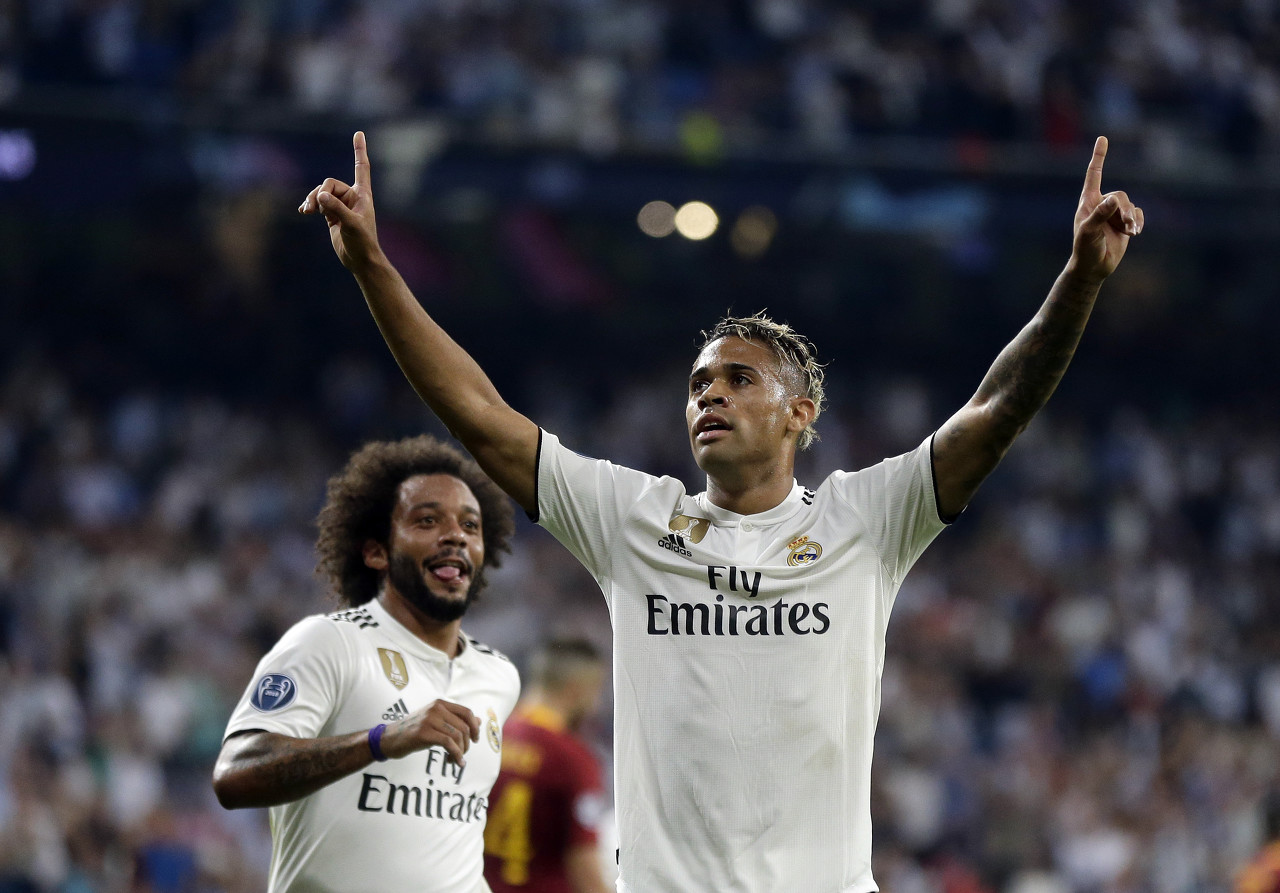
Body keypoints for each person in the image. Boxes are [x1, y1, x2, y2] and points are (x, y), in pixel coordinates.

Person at [299, 132, 1143, 892]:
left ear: (800, 412)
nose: (710, 395)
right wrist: (373, 266)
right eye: (700, 383)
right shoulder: (632, 520)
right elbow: (478, 412)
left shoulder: (866, 520)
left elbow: (997, 409)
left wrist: (1078, 280)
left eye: (739, 380)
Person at [212, 436, 520, 893]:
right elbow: (235, 776)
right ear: (377, 552)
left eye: (470, 525)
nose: (456, 535)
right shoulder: (329, 642)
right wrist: (380, 740)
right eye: (427, 520)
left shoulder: (500, 676)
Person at [484, 638, 612, 893]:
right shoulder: (573, 759)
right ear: (577, 690)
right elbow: (585, 868)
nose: (596, 705)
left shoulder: (489, 736)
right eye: (596, 692)